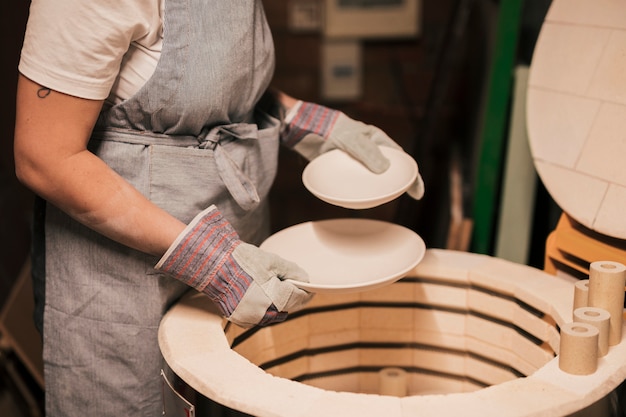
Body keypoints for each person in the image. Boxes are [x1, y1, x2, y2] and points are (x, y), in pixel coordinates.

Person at [13, 0, 424, 415]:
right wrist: (208, 259)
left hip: (237, 251)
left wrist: (299, 117)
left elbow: (205, 81)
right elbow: (44, 156)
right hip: (123, 279)